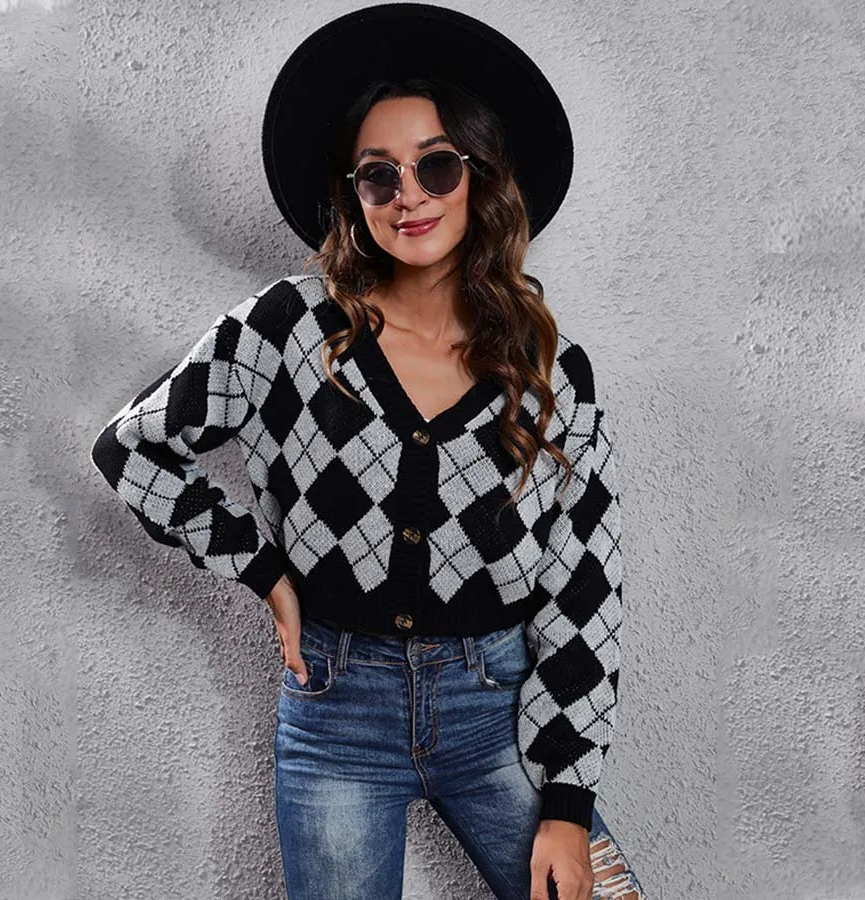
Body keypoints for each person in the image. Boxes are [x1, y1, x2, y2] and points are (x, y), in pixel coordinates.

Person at [90, 4, 646, 899]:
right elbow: (133, 449)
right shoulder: (288, 329)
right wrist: (263, 569)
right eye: (378, 175)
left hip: (502, 715)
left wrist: (569, 803)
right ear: (354, 196)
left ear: (479, 177)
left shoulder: (549, 369)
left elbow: (586, 587)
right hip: (335, 716)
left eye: (436, 165)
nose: (409, 195)